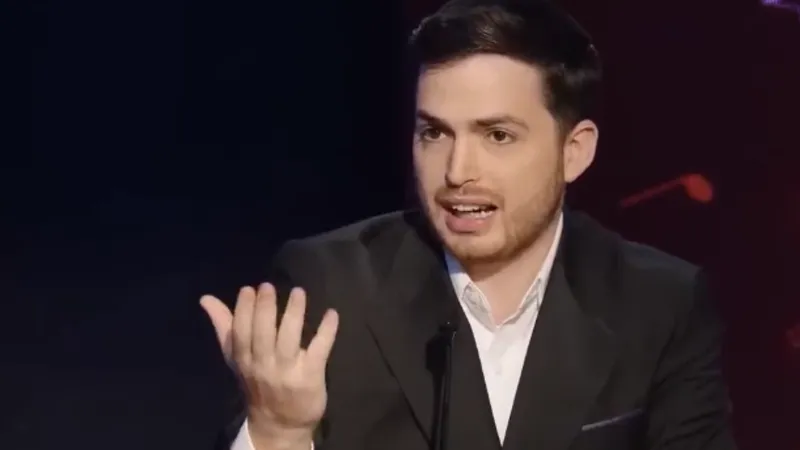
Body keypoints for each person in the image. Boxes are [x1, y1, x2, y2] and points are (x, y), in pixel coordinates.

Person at [200, 0, 737, 449]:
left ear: (574, 151)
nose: (457, 172)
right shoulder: (330, 288)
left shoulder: (659, 304)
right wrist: (278, 432)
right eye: (434, 134)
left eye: (497, 136)